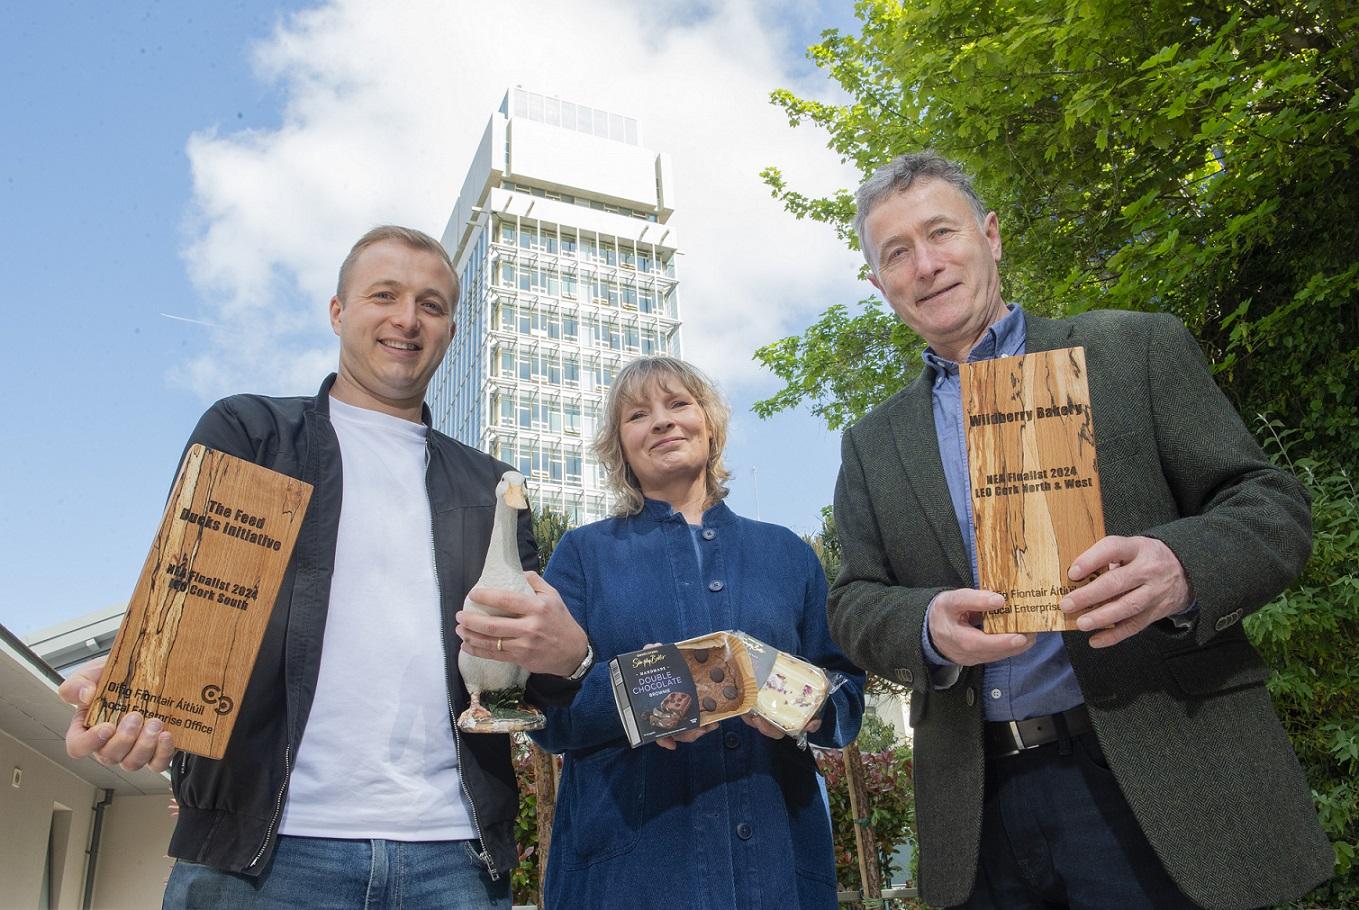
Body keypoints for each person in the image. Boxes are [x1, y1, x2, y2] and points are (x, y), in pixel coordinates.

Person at [828, 152, 1333, 910]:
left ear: (990, 236)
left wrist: (1180, 566)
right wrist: (925, 625)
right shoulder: (872, 442)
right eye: (896, 253)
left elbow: (1270, 506)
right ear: (877, 284)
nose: (925, 265)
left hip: (1156, 776)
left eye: (941, 233)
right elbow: (853, 600)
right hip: (980, 811)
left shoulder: (1133, 350)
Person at [60, 225, 592, 909]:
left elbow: (519, 687)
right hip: (261, 855)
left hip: (451, 859)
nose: (407, 318)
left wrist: (570, 658)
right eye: (384, 295)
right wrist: (138, 699)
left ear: (450, 330)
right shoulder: (252, 435)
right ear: (338, 312)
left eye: (430, 305)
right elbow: (189, 612)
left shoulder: (493, 488)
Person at [480, 355, 865, 907]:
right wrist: (644, 699)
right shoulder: (583, 556)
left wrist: (802, 703)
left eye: (678, 404)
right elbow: (546, 717)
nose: (662, 421)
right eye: (638, 414)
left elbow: (847, 696)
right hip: (632, 875)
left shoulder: (786, 554)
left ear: (710, 424)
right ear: (621, 447)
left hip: (779, 868)